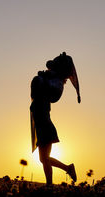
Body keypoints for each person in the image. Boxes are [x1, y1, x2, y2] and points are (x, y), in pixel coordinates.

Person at [30, 52, 81, 185]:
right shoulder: (48, 79)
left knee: (44, 158)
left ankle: (49, 185)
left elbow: (52, 95)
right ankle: (68, 168)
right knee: (42, 158)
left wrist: (41, 80)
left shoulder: (55, 82)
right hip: (42, 121)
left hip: (44, 123)